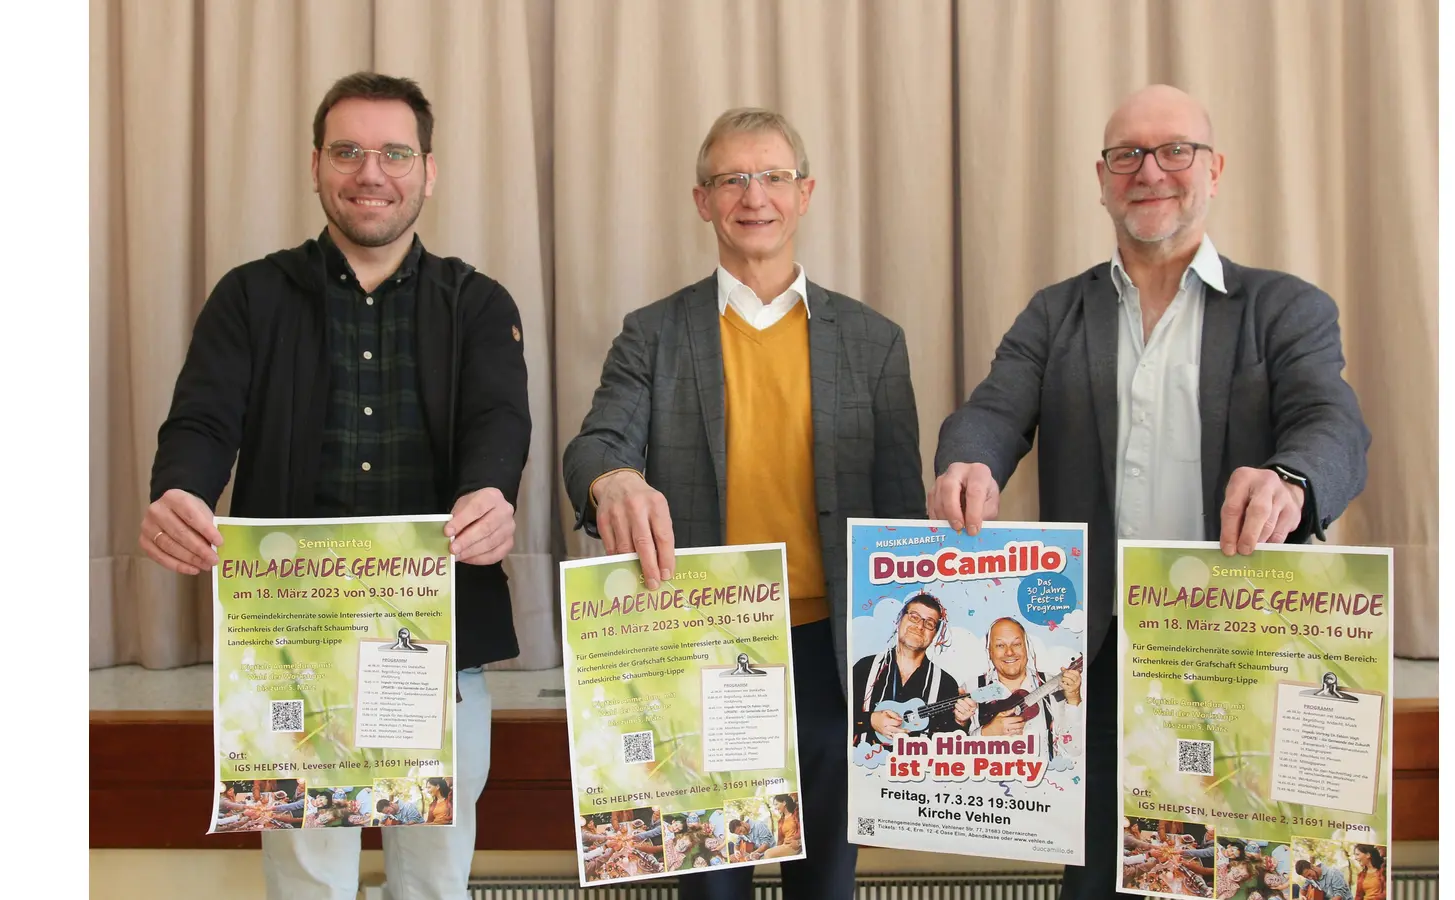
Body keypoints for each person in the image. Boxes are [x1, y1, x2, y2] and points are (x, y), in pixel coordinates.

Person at [930, 84, 1371, 900]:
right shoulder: (1055, 313)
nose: (1151, 172)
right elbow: (993, 409)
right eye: (1127, 155)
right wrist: (969, 462)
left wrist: (1290, 478)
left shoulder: (1285, 309)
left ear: (1215, 169)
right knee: (1099, 879)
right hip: (1095, 661)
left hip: (1242, 652)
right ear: (1102, 179)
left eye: (1175, 150)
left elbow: (1333, 427)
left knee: (1246, 880)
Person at [139, 71, 529, 900]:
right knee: (310, 886)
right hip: (292, 644)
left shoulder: (480, 302)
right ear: (315, 164)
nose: (371, 173)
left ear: (429, 169)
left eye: (394, 152)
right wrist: (182, 490)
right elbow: (202, 422)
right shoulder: (249, 296)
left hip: (439, 641)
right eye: (348, 151)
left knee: (432, 881)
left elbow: (501, 426)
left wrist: (494, 495)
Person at [563, 106, 925, 900]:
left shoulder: (873, 342)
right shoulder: (653, 335)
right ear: (702, 200)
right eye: (732, 179)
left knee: (826, 883)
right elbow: (594, 446)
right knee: (711, 884)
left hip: (837, 657)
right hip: (703, 650)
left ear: (806, 193)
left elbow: (906, 517)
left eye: (773, 177)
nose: (753, 196)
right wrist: (611, 480)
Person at [851, 594, 974, 744]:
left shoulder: (945, 684)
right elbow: (836, 716)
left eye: (929, 623)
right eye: (914, 617)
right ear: (899, 620)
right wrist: (869, 720)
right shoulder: (865, 667)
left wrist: (961, 722)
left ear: (934, 634)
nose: (920, 626)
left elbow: (950, 743)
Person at [968, 618, 1082, 763]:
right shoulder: (971, 689)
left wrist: (1073, 699)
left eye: (1016, 644)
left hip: (1040, 782)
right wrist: (986, 733)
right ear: (989, 651)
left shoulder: (1054, 685)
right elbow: (950, 754)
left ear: (1026, 647)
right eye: (1000, 645)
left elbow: (1073, 749)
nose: (1009, 652)